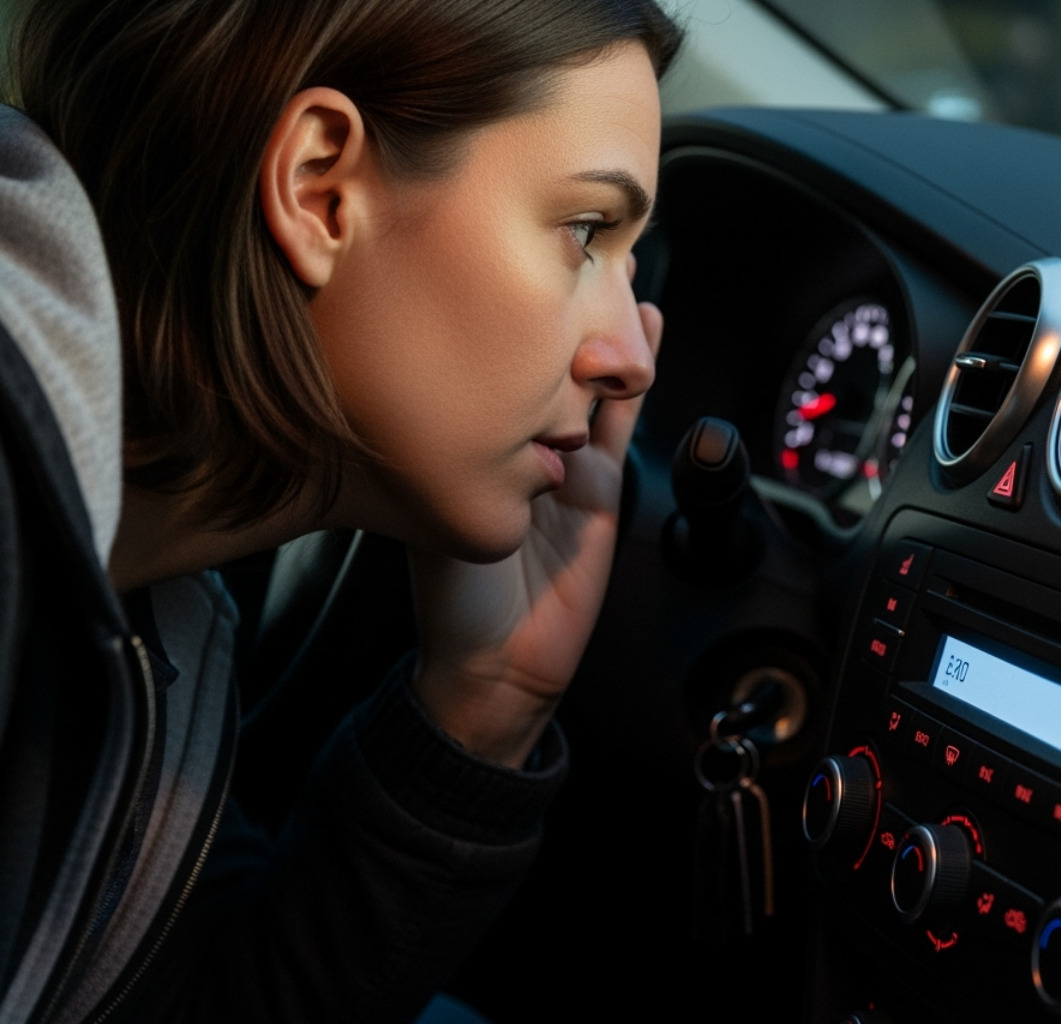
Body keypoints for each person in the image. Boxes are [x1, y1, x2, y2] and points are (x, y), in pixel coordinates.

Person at [0, 0, 682, 1020]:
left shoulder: (161, 620)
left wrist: (487, 703)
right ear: (319, 188)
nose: (630, 357)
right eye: (586, 232)